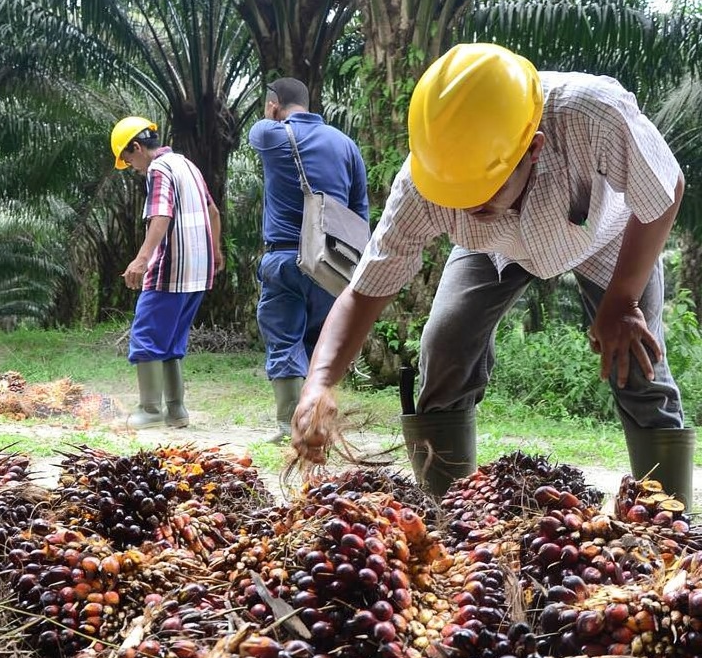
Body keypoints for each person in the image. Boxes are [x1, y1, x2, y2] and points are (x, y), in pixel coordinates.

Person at [290, 42, 696, 507]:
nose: (467, 205)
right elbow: (363, 294)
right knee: (444, 342)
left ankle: (670, 525)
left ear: (535, 147)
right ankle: (450, 512)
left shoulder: (592, 114)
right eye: (455, 194)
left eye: (482, 191)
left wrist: (623, 300)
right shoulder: (428, 183)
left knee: (638, 364)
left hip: (608, 239)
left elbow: (666, 189)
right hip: (493, 249)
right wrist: (319, 382)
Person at [249, 78, 369, 440]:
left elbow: (258, 130)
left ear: (274, 105)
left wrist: (273, 115)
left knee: (285, 338)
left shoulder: (273, 135)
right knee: (321, 343)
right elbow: (359, 211)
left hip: (285, 258)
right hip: (332, 265)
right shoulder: (347, 145)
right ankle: (317, 421)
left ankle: (290, 424)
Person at [111, 116, 222, 430]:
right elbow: (213, 211)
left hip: (171, 268)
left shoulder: (158, 169)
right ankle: (176, 410)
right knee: (172, 341)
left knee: (146, 336)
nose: (131, 166)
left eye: (127, 158)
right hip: (198, 272)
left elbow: (161, 213)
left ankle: (149, 409)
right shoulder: (187, 164)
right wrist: (215, 251)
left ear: (137, 147)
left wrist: (142, 258)